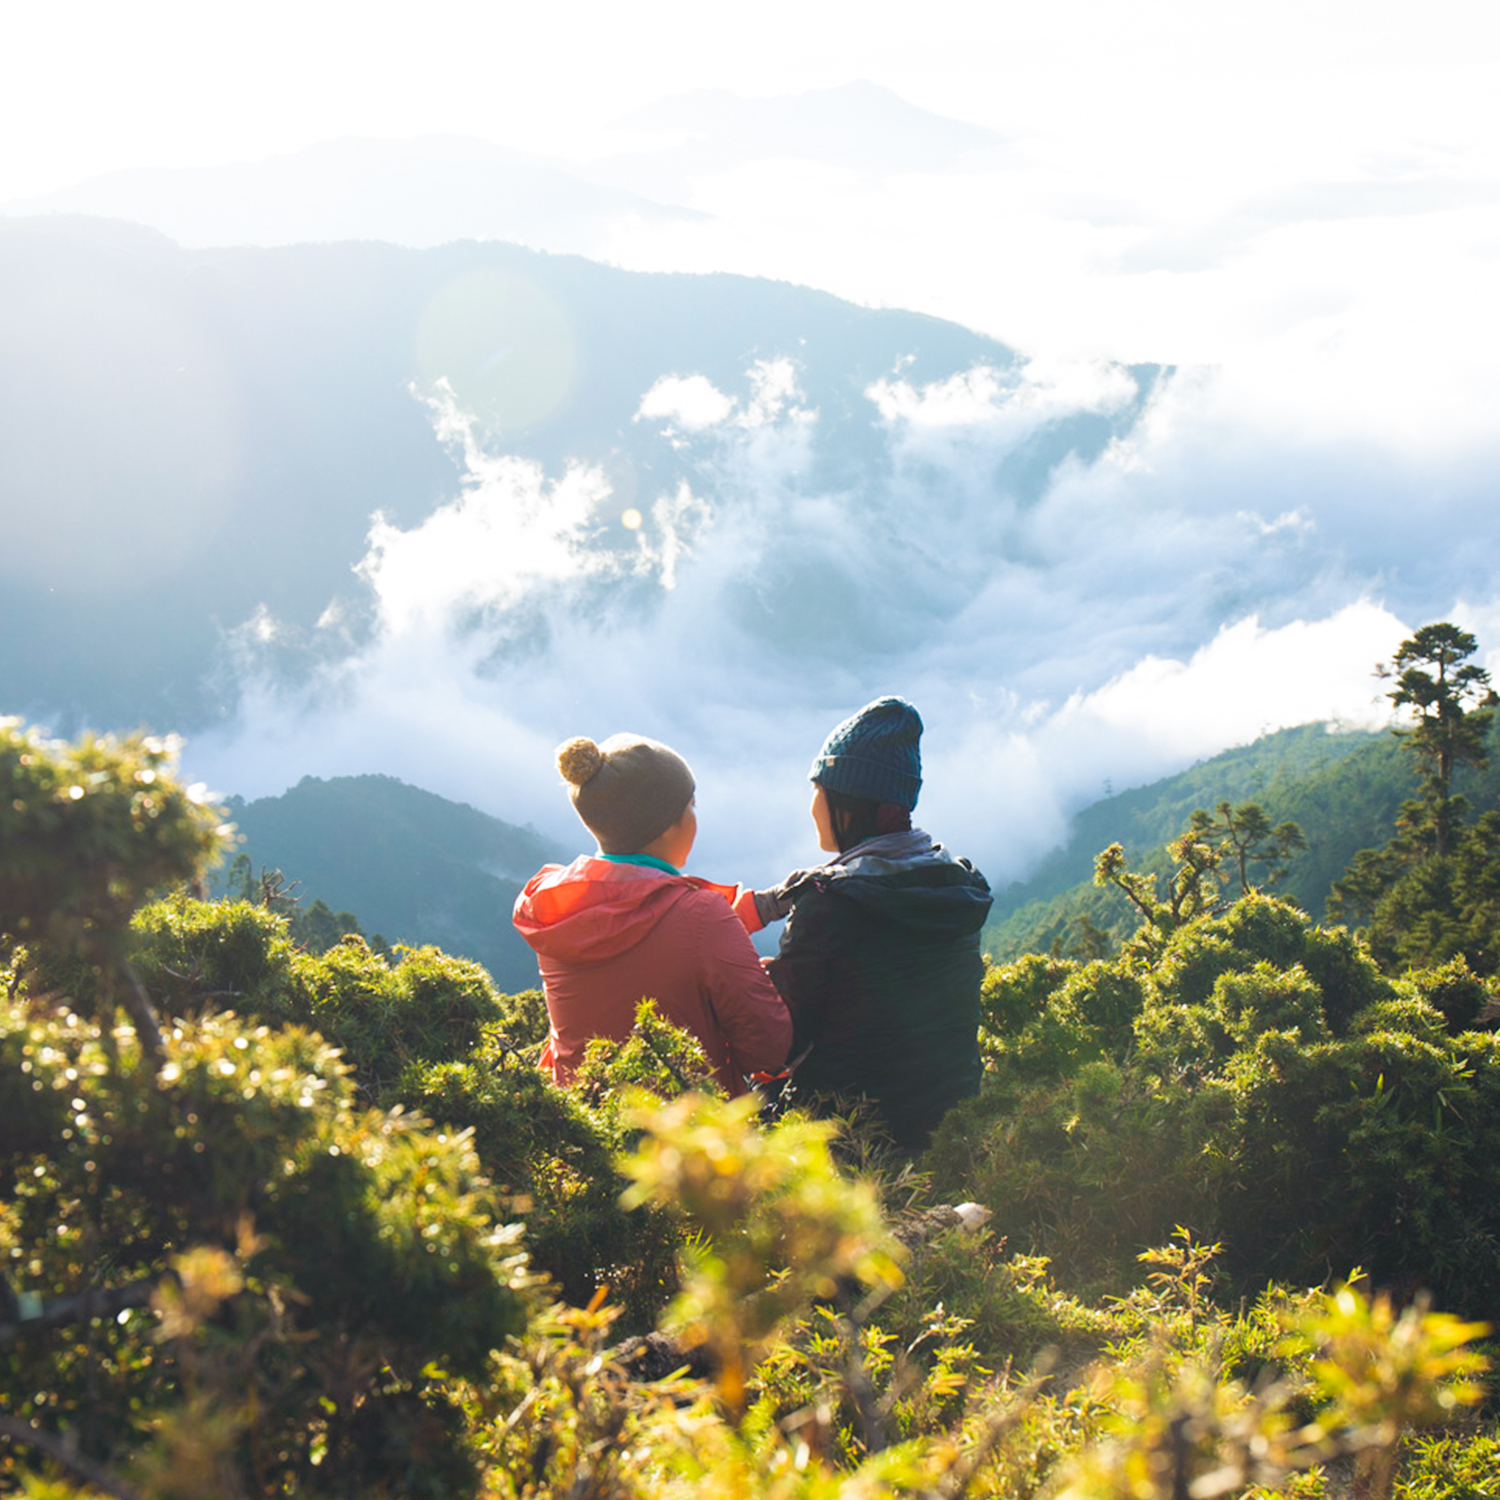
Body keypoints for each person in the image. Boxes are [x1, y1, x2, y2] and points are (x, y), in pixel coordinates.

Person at [743, 697, 992, 1148]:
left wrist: (753, 979)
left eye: (821, 790)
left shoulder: (830, 905)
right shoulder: (957, 884)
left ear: (852, 806)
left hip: (850, 1139)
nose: (813, 805)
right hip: (953, 1125)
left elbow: (778, 1043)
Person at [513, 732, 791, 1097]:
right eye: (691, 805)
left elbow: (646, 938)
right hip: (683, 1140)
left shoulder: (552, 901)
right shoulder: (701, 917)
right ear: (667, 825)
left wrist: (753, 911)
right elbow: (767, 1049)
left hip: (578, 1127)